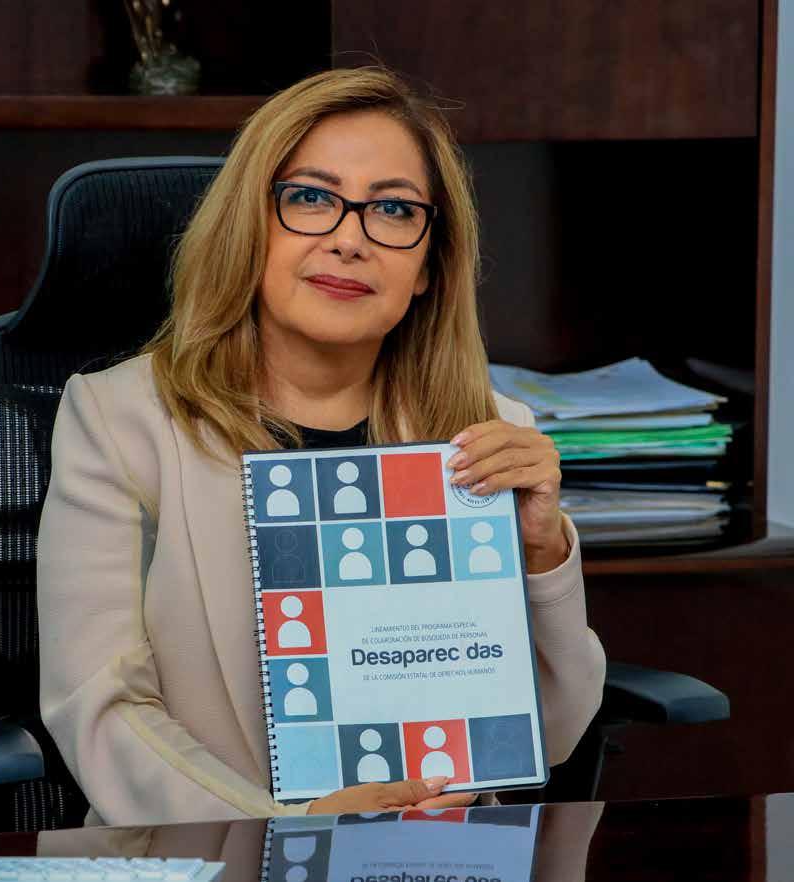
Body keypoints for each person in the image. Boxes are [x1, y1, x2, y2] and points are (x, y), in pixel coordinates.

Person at [37, 65, 606, 827]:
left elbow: (555, 736)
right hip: (219, 854)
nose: (348, 240)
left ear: (429, 265)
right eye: (310, 198)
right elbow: (102, 709)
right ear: (251, 227)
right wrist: (292, 829)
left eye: (394, 209)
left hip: (446, 851)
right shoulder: (121, 421)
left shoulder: (487, 431)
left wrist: (542, 553)